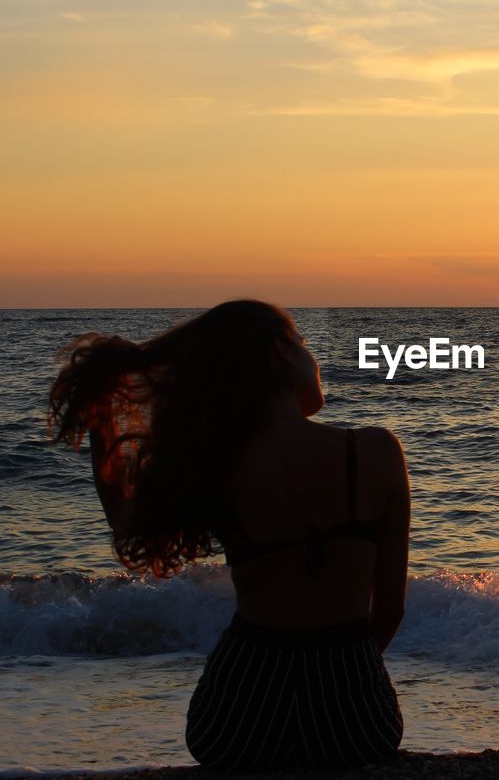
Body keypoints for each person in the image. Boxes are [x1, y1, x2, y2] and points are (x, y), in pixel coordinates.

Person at [48, 299, 409, 770]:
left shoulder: (215, 468)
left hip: (237, 717)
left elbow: (125, 522)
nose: (313, 360)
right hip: (358, 724)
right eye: (304, 345)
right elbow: (389, 611)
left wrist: (101, 426)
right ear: (281, 352)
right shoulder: (377, 452)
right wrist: (345, 672)